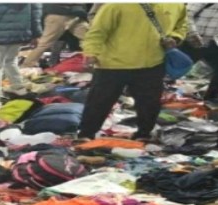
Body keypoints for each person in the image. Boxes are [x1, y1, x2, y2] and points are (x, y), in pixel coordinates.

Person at [78, 3, 188, 141]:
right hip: (112, 64)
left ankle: (144, 134)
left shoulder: (176, 5)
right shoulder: (116, 6)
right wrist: (91, 52)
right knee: (100, 101)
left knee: (149, 103)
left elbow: (181, 25)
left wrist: (175, 37)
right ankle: (86, 134)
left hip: (152, 63)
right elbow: (98, 30)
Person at [23, 4, 90, 68]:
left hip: (74, 13)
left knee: (91, 39)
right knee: (44, 44)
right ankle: (26, 67)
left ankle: (93, 65)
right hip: (62, 12)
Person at [188, 3, 218, 102]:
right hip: (191, 40)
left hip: (216, 43)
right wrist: (192, 33)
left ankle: (210, 98)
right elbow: (186, 14)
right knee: (172, 68)